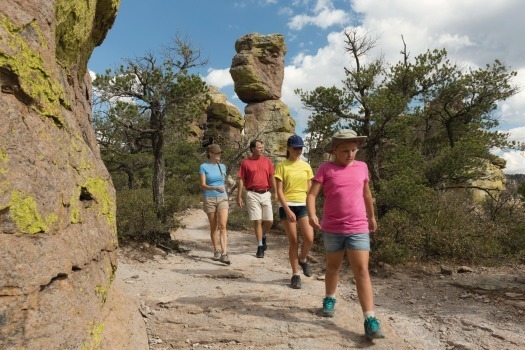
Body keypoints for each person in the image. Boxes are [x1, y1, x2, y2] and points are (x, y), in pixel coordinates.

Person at [306, 129, 385, 340]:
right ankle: (329, 298)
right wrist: (312, 214)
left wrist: (372, 216)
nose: (350, 155)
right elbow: (312, 194)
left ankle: (370, 320)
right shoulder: (325, 168)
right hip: (332, 227)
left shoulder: (362, 167)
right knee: (333, 267)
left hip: (358, 226)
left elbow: (366, 193)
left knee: (361, 271)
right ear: (334, 150)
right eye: (345, 151)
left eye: (353, 150)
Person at [275, 135, 315, 289]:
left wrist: (312, 211)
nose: (298, 150)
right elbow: (279, 191)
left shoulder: (306, 166)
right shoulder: (281, 166)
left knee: (309, 238)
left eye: (300, 148)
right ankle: (295, 274)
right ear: (288, 148)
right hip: (287, 205)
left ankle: (303, 259)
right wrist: (286, 209)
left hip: (303, 204)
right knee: (294, 241)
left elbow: (310, 190)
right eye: (295, 147)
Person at [237, 139, 277, 258]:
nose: (262, 149)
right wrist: (239, 196)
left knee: (269, 221)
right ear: (252, 149)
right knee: (258, 221)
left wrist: (276, 192)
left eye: (262, 147)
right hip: (252, 193)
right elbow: (240, 179)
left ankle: (263, 236)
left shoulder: (267, 161)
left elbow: (272, 176)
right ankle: (260, 246)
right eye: (259, 147)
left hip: (266, 193)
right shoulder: (245, 162)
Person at [199, 144, 230, 265]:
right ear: (210, 153)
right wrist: (214, 188)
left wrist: (224, 188)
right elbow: (202, 185)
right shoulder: (203, 167)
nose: (219, 155)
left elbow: (223, 182)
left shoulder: (222, 166)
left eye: (220, 153)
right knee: (214, 226)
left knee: (223, 225)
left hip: (222, 198)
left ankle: (224, 253)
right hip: (210, 198)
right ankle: (215, 250)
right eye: (216, 153)